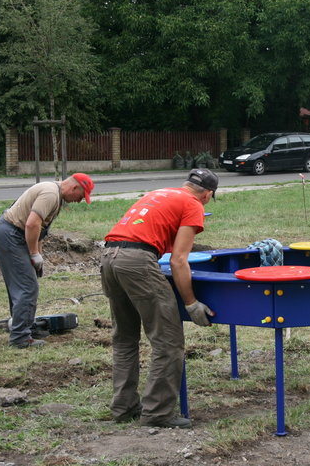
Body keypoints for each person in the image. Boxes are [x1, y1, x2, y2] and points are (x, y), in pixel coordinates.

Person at [100, 168, 218, 429]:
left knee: (125, 339)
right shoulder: (193, 204)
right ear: (208, 194)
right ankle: (157, 413)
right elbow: (178, 260)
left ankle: (123, 407)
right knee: (168, 342)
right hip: (137, 261)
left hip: (109, 257)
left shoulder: (159, 193)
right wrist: (191, 303)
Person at [0, 173, 95, 349]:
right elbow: (32, 224)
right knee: (27, 287)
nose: (79, 201)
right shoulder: (50, 194)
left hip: (14, 235)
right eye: (80, 196)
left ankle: (24, 327)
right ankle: (20, 338)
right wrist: (33, 254)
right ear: (74, 188)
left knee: (24, 284)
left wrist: (38, 256)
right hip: (11, 235)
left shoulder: (55, 194)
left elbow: (40, 229)